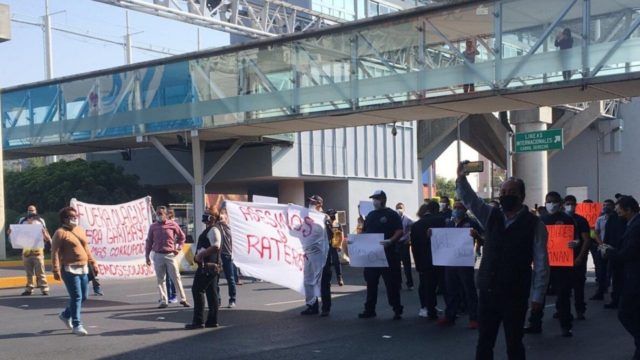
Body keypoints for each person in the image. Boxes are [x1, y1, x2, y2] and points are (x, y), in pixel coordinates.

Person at [456, 162, 549, 360]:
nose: (506, 195)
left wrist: (538, 296)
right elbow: (471, 201)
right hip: (488, 290)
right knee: (484, 342)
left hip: (515, 294)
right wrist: (461, 178)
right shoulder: (491, 216)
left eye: (511, 192)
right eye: (503, 191)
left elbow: (541, 262)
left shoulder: (535, 224)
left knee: (514, 343)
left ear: (521, 196)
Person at [524, 191, 577, 337]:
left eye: (554, 201)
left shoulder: (567, 219)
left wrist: (575, 243)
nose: (551, 204)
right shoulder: (540, 220)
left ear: (559, 203)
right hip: (544, 263)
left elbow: (577, 237)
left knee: (563, 295)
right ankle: (535, 323)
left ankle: (566, 326)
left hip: (561, 264)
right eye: (549, 201)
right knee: (539, 294)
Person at [599, 196, 640, 360]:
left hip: (635, 278)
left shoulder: (636, 226)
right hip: (631, 275)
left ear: (629, 209)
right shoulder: (631, 224)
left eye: (619, 210)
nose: (617, 213)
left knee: (625, 312)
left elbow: (629, 253)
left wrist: (609, 252)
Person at [51, 207, 99, 336]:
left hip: (83, 267)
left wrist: (93, 263)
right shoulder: (60, 233)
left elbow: (86, 248)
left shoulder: (79, 230)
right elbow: (54, 252)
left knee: (84, 296)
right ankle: (77, 325)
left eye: (76, 216)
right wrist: (55, 269)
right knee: (76, 297)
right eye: (72, 217)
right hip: (69, 269)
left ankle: (66, 315)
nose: (75, 219)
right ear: (65, 219)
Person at [358, 190, 404, 320]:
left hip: (388, 255)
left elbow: (399, 231)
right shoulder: (371, 215)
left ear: (383, 199)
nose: (374, 201)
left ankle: (397, 309)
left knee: (391, 284)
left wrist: (391, 240)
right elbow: (364, 232)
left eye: (376, 199)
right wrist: (355, 242)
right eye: (373, 199)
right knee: (371, 283)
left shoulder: (392, 214)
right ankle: (369, 309)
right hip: (372, 256)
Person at [437, 200, 482, 329]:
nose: (456, 209)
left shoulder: (472, 223)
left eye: (459, 207)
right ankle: (450, 316)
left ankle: (474, 318)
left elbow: (483, 239)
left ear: (465, 210)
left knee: (469, 290)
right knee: (451, 289)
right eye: (455, 207)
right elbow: (442, 239)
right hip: (450, 261)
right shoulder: (449, 223)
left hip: (464, 261)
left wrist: (476, 236)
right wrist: (432, 234)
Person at [145, 206, 191, 308]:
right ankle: (163, 300)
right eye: (157, 214)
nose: (158, 216)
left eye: (161, 214)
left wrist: (178, 248)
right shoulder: (153, 226)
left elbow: (182, 237)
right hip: (158, 255)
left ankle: (183, 299)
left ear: (166, 214)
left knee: (176, 277)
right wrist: (147, 256)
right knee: (160, 279)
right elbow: (149, 242)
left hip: (170, 254)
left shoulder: (173, 225)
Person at [185, 210, 222, 329]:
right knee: (211, 293)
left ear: (212, 218)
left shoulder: (214, 230)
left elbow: (216, 246)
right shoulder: (210, 229)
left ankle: (198, 321)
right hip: (209, 266)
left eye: (207, 214)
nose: (204, 216)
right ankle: (211, 321)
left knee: (198, 290)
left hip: (208, 266)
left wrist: (201, 255)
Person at [411, 201, 446, 319]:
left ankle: (430, 309)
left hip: (424, 260)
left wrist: (417, 264)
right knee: (445, 285)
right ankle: (451, 309)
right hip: (441, 258)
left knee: (427, 286)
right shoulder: (441, 221)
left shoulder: (416, 225)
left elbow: (414, 247)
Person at [300, 195, 330, 316]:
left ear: (319, 204)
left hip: (322, 253)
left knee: (322, 281)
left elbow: (331, 235)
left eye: (313, 202)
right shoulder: (307, 217)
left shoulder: (324, 217)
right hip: (308, 253)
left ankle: (325, 308)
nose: (310, 204)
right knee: (308, 280)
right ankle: (312, 305)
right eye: (309, 202)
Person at [564, 195, 592, 320]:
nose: (570, 206)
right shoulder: (560, 219)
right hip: (562, 260)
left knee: (578, 286)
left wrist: (580, 256)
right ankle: (562, 310)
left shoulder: (581, 220)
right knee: (563, 287)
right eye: (568, 203)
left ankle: (580, 309)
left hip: (577, 258)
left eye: (572, 204)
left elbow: (587, 240)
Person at [14, 209, 51, 296]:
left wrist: (46, 236)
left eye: (32, 210)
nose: (31, 212)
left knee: (41, 272)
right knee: (29, 273)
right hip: (26, 252)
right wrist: (11, 233)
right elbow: (17, 235)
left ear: (36, 211)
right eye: (29, 210)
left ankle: (44, 288)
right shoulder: (23, 222)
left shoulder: (40, 222)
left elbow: (47, 237)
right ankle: (29, 289)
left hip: (37, 251)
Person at [592, 199, 615, 300]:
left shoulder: (617, 219)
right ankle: (600, 291)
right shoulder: (600, 219)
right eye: (604, 205)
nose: (606, 207)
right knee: (601, 270)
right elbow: (595, 233)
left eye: (608, 205)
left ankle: (613, 293)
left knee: (612, 271)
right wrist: (601, 244)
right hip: (602, 247)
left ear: (613, 207)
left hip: (613, 248)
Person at [218, 207, 237, 308]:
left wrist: (234, 255)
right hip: (217, 255)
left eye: (223, 214)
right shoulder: (217, 227)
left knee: (230, 278)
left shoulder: (231, 228)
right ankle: (217, 300)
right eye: (220, 214)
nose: (221, 216)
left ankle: (232, 299)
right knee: (216, 279)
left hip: (227, 255)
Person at [396, 202, 414, 290]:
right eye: (398, 207)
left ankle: (410, 284)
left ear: (404, 209)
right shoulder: (393, 218)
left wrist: (409, 238)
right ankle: (398, 284)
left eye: (401, 207)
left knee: (407, 265)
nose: (399, 209)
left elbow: (414, 227)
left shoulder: (408, 219)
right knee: (396, 265)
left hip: (404, 244)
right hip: (395, 244)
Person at [326, 209, 344, 286]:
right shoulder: (325, 224)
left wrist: (340, 245)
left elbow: (342, 235)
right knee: (328, 263)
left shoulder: (338, 224)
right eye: (331, 215)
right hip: (326, 245)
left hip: (335, 245)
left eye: (334, 214)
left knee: (336, 262)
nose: (333, 216)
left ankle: (339, 278)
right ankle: (328, 280)